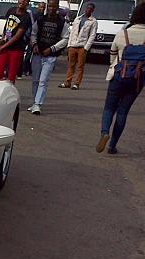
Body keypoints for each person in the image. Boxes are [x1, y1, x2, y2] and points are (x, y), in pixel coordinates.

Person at [96, 3, 145, 154]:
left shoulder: (123, 33)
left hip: (119, 75)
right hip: (137, 78)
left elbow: (113, 53)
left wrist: (114, 66)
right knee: (123, 111)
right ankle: (112, 146)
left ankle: (104, 133)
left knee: (109, 108)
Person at [28, 0, 68, 114]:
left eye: (53, 6)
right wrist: (34, 44)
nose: (51, 8)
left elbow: (65, 39)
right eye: (49, 6)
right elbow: (33, 33)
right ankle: (34, 102)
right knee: (35, 80)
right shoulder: (40, 19)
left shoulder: (61, 22)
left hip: (50, 56)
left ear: (57, 7)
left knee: (43, 81)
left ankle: (37, 104)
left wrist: (52, 49)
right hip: (37, 54)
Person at [59, 3, 97, 90]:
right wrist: (69, 45)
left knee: (80, 66)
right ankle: (67, 82)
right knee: (70, 65)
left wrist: (86, 48)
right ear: (85, 9)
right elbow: (72, 32)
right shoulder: (78, 18)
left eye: (91, 9)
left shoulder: (93, 21)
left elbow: (92, 35)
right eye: (88, 8)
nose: (88, 10)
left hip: (82, 46)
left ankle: (76, 83)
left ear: (92, 11)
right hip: (73, 45)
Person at [0, 0, 32, 84]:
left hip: (16, 49)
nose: (22, 1)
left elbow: (17, 37)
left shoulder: (26, 17)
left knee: (11, 77)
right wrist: (2, 39)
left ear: (27, 3)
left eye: (25, 0)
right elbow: (6, 26)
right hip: (5, 47)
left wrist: (2, 48)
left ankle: (8, 94)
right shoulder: (11, 10)